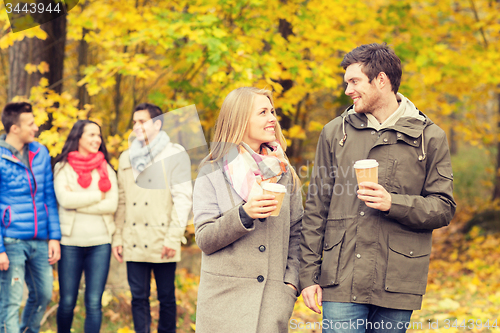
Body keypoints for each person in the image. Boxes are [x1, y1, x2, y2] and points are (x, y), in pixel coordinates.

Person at [299, 43, 456, 333]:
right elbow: (315, 208)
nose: (347, 90)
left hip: (398, 280)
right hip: (340, 279)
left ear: (381, 80)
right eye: (347, 83)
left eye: (354, 81)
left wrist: (392, 203)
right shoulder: (335, 132)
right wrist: (307, 275)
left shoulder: (429, 137)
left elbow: (443, 208)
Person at [193, 87, 303, 333]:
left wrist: (290, 285)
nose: (272, 118)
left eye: (272, 111)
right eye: (263, 112)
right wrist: (244, 214)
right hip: (222, 305)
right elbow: (204, 238)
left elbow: (297, 234)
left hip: (271, 304)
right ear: (240, 120)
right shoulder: (211, 171)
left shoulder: (284, 172)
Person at [112, 103, 192, 333]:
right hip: (133, 237)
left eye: (142, 121)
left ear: (157, 123)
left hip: (162, 237)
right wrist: (118, 238)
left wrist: (173, 237)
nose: (136, 126)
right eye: (134, 121)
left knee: (166, 297)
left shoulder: (174, 153)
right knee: (138, 298)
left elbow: (183, 198)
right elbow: (122, 201)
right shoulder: (126, 157)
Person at [0, 102, 61, 333]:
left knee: (44, 294)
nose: (35, 128)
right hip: (11, 241)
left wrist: (53, 237)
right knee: (11, 300)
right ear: (14, 128)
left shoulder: (40, 152)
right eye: (30, 124)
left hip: (40, 240)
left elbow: (48, 196)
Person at [53, 120, 118, 333]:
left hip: (100, 243)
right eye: (91, 135)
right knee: (67, 302)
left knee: (93, 303)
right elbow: (65, 200)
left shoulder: (106, 168)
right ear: (78, 137)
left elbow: (112, 204)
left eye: (98, 135)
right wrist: (98, 196)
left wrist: (78, 201)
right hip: (70, 243)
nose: (96, 139)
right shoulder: (63, 167)